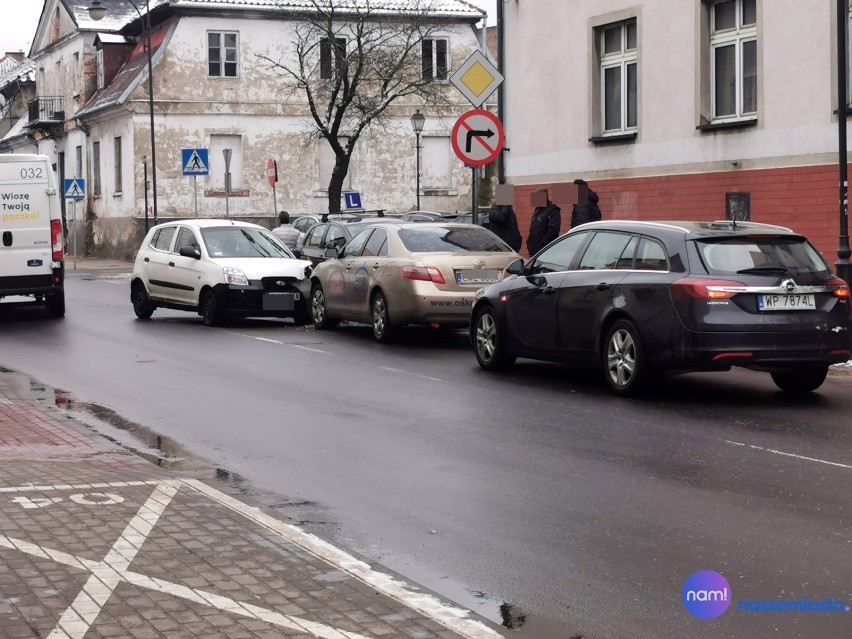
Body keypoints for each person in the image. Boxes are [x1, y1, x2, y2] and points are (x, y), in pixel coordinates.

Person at [526, 189, 561, 256]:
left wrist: (541, 244)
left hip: (546, 250)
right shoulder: (537, 210)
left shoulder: (553, 210)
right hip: (534, 250)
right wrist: (529, 243)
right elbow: (533, 228)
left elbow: (553, 230)